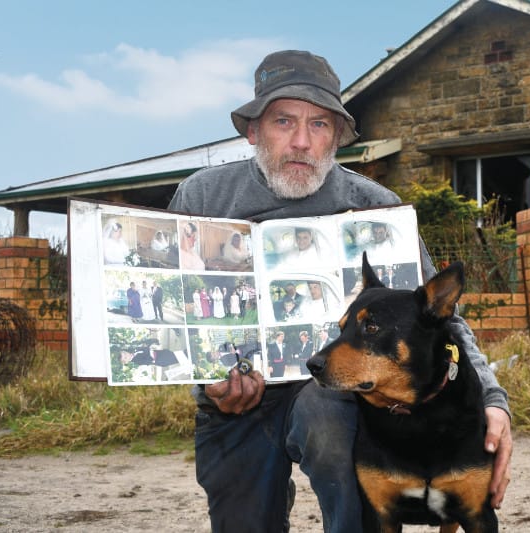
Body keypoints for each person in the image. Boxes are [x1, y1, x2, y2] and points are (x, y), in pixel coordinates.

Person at [167, 49, 512, 533]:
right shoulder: (203, 198)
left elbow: (440, 319)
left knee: (333, 431)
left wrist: (494, 402)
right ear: (252, 131)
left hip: (333, 388)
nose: (302, 142)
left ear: (338, 136)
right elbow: (177, 314)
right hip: (238, 398)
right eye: (284, 121)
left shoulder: (376, 207)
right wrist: (206, 381)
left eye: (320, 125)